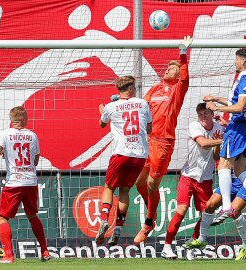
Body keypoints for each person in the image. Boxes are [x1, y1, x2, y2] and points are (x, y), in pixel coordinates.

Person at [134, 36, 193, 244]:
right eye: (167, 68)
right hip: (146, 140)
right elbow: (143, 105)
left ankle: (149, 221)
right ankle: (153, 211)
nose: (168, 70)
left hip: (163, 142)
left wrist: (182, 55)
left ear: (178, 75)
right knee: (138, 183)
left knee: (151, 183)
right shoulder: (157, 87)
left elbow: (185, 78)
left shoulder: (178, 89)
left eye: (172, 68)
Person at [203, 48, 246, 228]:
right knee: (240, 170)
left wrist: (215, 108)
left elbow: (239, 107)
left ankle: (226, 207)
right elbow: (237, 102)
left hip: (238, 127)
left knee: (223, 165)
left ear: (243, 61)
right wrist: (216, 99)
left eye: (237, 59)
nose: (235, 62)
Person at [0, 106, 51, 264]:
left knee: (2, 217)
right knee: (32, 216)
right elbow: (35, 161)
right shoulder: (33, 135)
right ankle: (44, 251)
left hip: (14, 182)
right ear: (23, 119)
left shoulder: (4, 134)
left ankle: (8, 255)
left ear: (12, 120)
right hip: (31, 182)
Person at [161, 103, 224, 259]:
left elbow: (216, 157)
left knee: (207, 214)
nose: (203, 116)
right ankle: (167, 246)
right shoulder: (194, 125)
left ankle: (192, 243)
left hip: (206, 178)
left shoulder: (219, 128)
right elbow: (202, 143)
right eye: (200, 114)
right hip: (188, 175)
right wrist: (222, 140)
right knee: (181, 210)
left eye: (206, 113)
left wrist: (221, 137)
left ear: (212, 114)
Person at [183, 136, 246, 260]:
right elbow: (217, 157)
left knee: (234, 210)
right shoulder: (230, 135)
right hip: (231, 181)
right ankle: (202, 239)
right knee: (210, 205)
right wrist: (219, 143)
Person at [96, 76, 152, 246]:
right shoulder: (143, 104)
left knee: (109, 187)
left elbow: (102, 124)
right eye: (134, 87)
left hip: (121, 153)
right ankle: (118, 229)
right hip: (139, 155)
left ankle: (104, 219)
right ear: (130, 88)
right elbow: (149, 129)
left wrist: (102, 111)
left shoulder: (111, 107)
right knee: (125, 190)